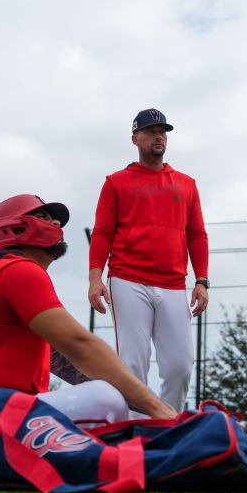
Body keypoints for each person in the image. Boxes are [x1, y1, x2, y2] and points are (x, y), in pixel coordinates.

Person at [0, 194, 175, 437]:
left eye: (56, 220)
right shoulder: (18, 270)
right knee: (105, 398)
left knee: (113, 401)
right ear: (12, 229)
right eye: (42, 216)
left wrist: (157, 412)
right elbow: (80, 347)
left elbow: (77, 367)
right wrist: (160, 410)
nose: (55, 223)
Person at [88, 108, 209, 414]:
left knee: (180, 366)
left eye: (163, 131)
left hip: (172, 284)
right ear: (135, 138)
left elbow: (197, 235)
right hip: (127, 279)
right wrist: (94, 278)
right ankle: (136, 432)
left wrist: (202, 281)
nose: (159, 136)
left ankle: (166, 425)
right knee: (132, 362)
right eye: (151, 131)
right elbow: (102, 232)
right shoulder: (116, 182)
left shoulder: (186, 183)